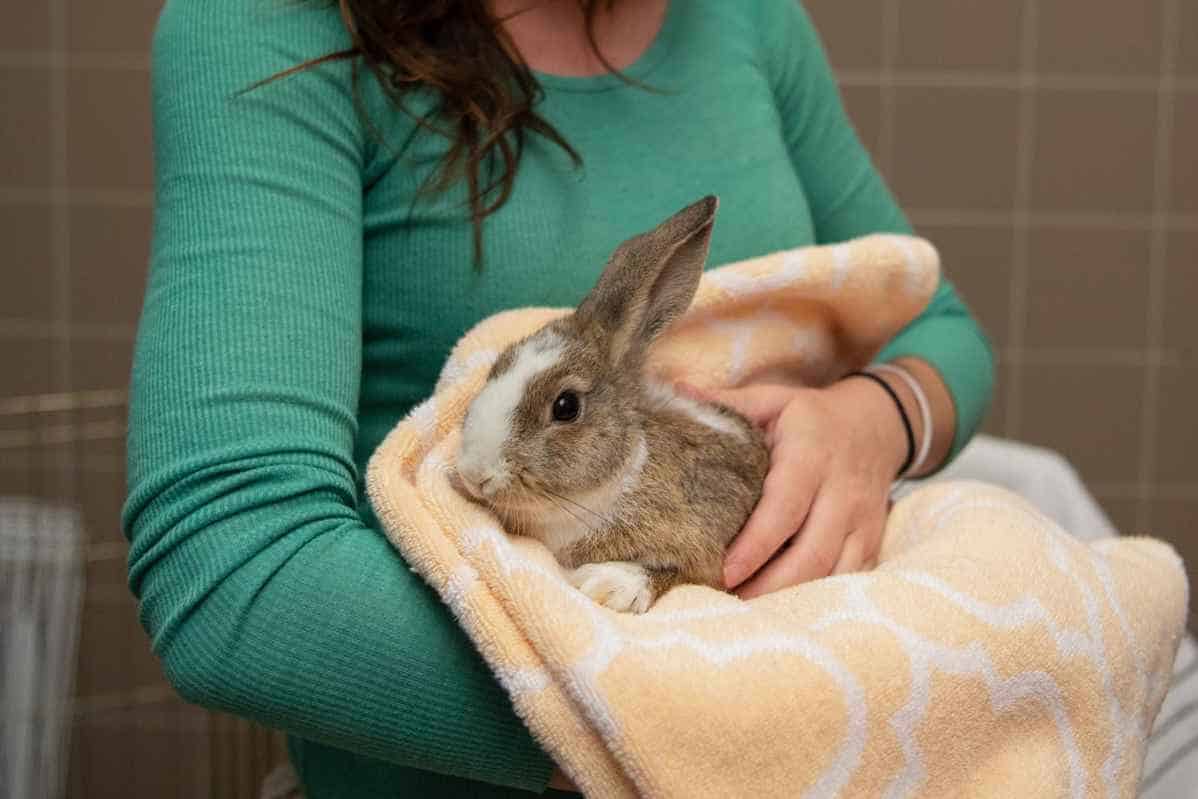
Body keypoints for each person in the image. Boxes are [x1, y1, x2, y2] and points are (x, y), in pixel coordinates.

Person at [123, 0, 994, 795]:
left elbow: (940, 323)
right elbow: (231, 576)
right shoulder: (268, 26)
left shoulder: (747, 19)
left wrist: (875, 416)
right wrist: (725, 725)